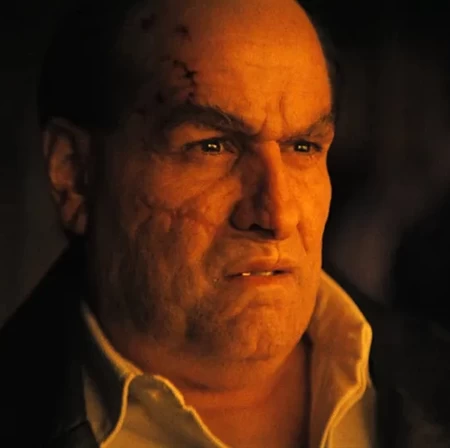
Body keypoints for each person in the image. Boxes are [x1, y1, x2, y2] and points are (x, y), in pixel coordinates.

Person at [1, 0, 450, 446]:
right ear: (75, 174)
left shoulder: (434, 383)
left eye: (304, 147)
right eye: (211, 146)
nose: (277, 215)